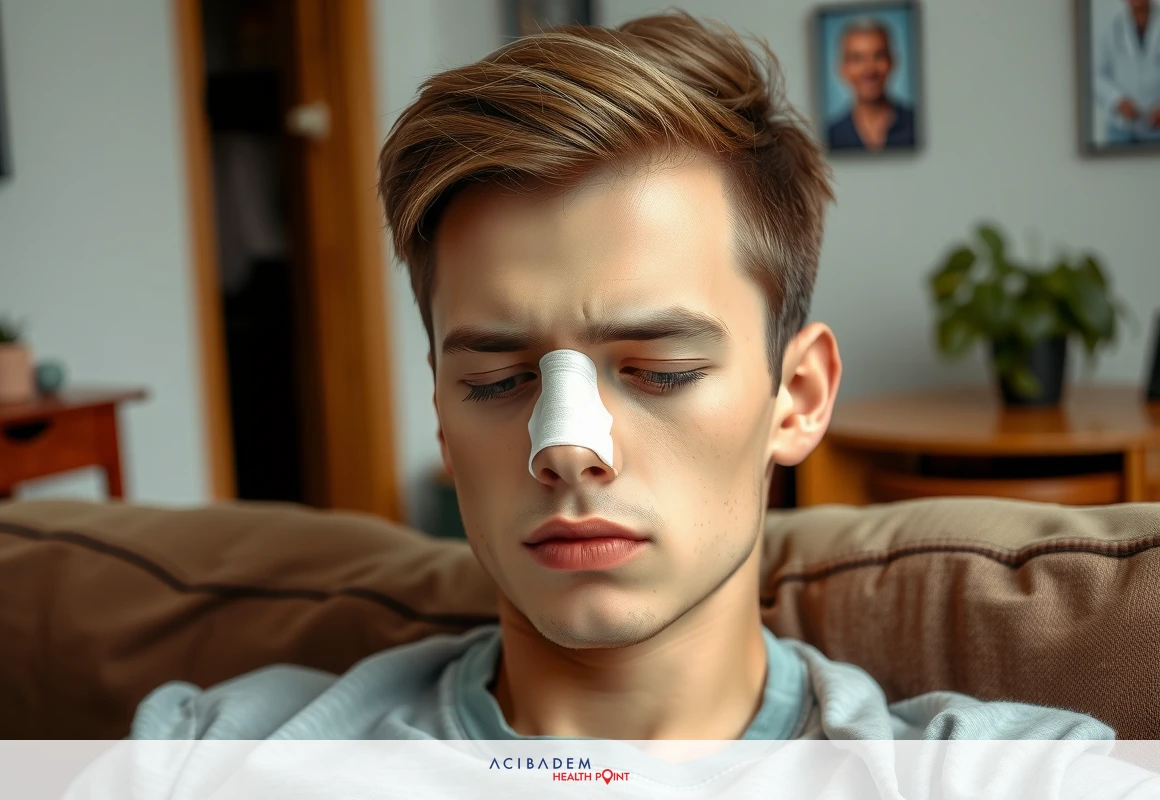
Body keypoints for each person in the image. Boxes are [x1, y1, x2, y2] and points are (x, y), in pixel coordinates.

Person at [130, 9, 1113, 754]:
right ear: (439, 409)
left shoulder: (1014, 772)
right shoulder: (213, 752)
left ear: (799, 394)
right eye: (498, 378)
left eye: (659, 369)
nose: (567, 443)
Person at [826, 18, 915, 151]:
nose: (869, 70)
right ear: (842, 68)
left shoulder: (917, 125)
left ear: (892, 62)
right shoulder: (830, 136)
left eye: (878, 56)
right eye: (857, 59)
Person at [1095, 0, 1160, 145]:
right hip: (1121, 126)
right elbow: (1096, 74)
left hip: (1157, 124)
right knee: (1115, 167)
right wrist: (1117, 100)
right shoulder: (1110, 27)